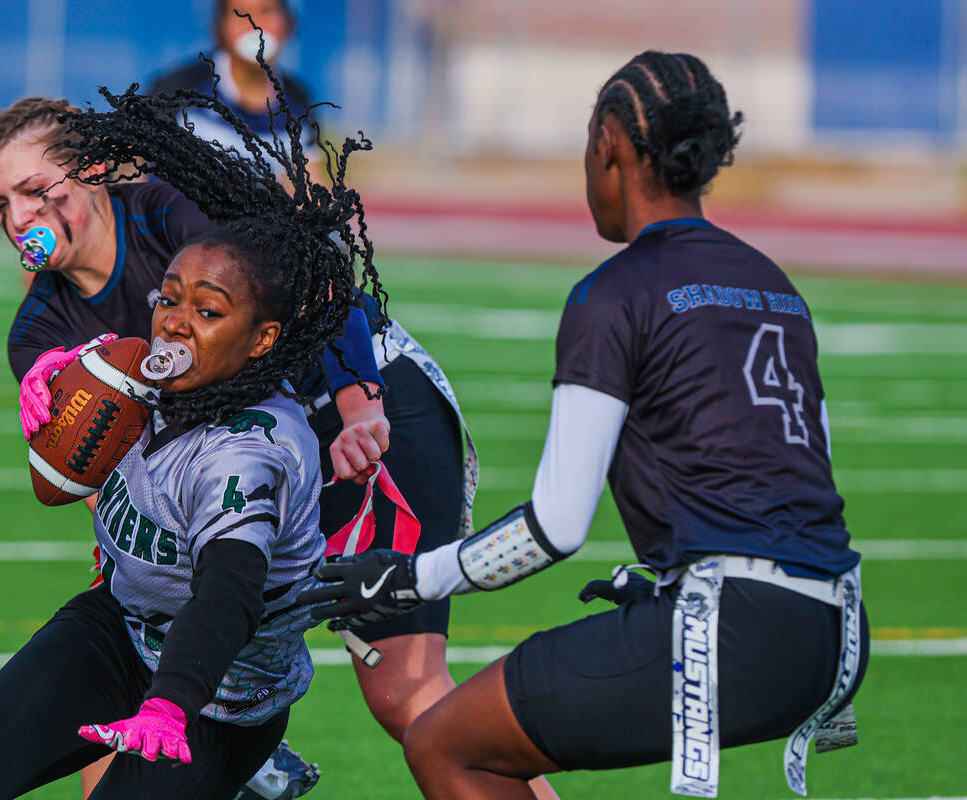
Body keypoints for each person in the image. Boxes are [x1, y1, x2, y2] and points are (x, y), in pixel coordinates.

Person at [300, 50, 869, 800]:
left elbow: (555, 527)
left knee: (447, 743)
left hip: (733, 628)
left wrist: (409, 577)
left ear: (609, 143)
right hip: (835, 630)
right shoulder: (772, 281)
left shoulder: (616, 292)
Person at [0, 71, 384, 799]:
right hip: (129, 621)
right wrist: (72, 440)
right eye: (1, 204)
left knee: (399, 684)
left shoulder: (174, 230)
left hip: (227, 676)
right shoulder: (46, 331)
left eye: (35, 190)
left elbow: (226, 595)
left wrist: (359, 405)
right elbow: (95, 493)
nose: (20, 218)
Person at [147, 0, 315, 157]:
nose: (255, 25)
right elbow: (137, 164)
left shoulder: (299, 100)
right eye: (240, 14)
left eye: (267, 12)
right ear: (221, 28)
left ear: (288, 23)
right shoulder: (177, 88)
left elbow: (309, 176)